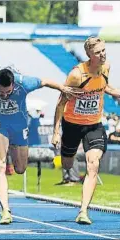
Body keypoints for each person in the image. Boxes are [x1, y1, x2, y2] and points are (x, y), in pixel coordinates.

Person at [0, 20, 79, 224]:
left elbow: (46, 81)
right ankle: (5, 210)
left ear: (13, 84)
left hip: (20, 127)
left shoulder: (24, 82)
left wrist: (63, 88)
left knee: (20, 168)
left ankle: (13, 148)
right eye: (1, 92)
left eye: (8, 92)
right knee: (0, 165)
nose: (4, 95)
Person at [52, 36, 120, 224]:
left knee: (93, 164)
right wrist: (56, 131)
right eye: (98, 52)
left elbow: (103, 87)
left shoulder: (106, 68)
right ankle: (67, 163)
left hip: (94, 125)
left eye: (104, 50)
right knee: (67, 163)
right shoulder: (77, 75)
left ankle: (83, 211)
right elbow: (60, 103)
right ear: (89, 55)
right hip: (72, 124)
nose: (102, 55)